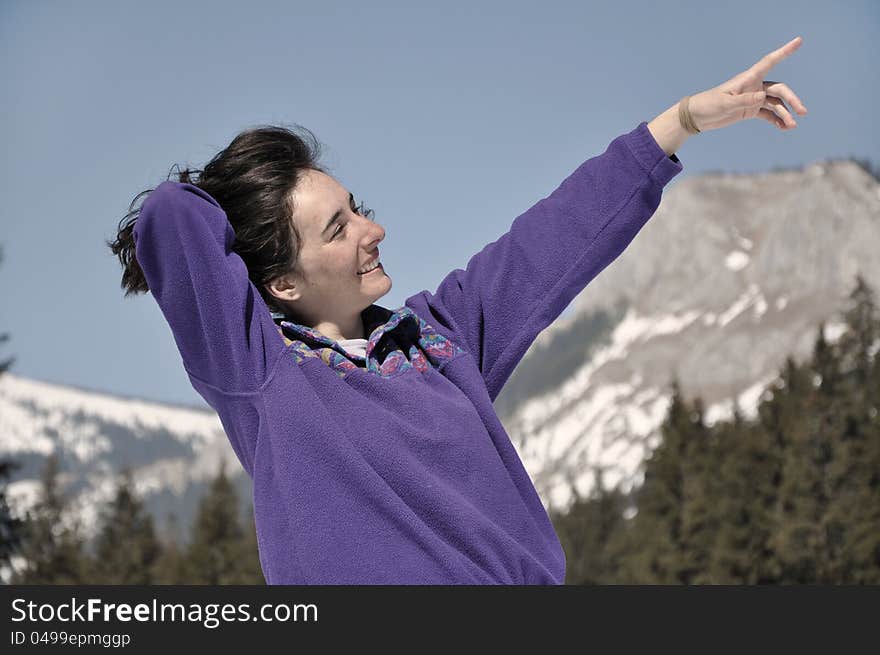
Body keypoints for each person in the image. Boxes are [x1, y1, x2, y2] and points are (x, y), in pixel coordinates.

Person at [108, 38, 806, 584]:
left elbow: (550, 240)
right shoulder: (263, 374)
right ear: (283, 282)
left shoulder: (438, 341)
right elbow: (171, 216)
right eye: (336, 229)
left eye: (359, 211)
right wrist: (243, 194)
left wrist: (679, 122)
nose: (370, 231)